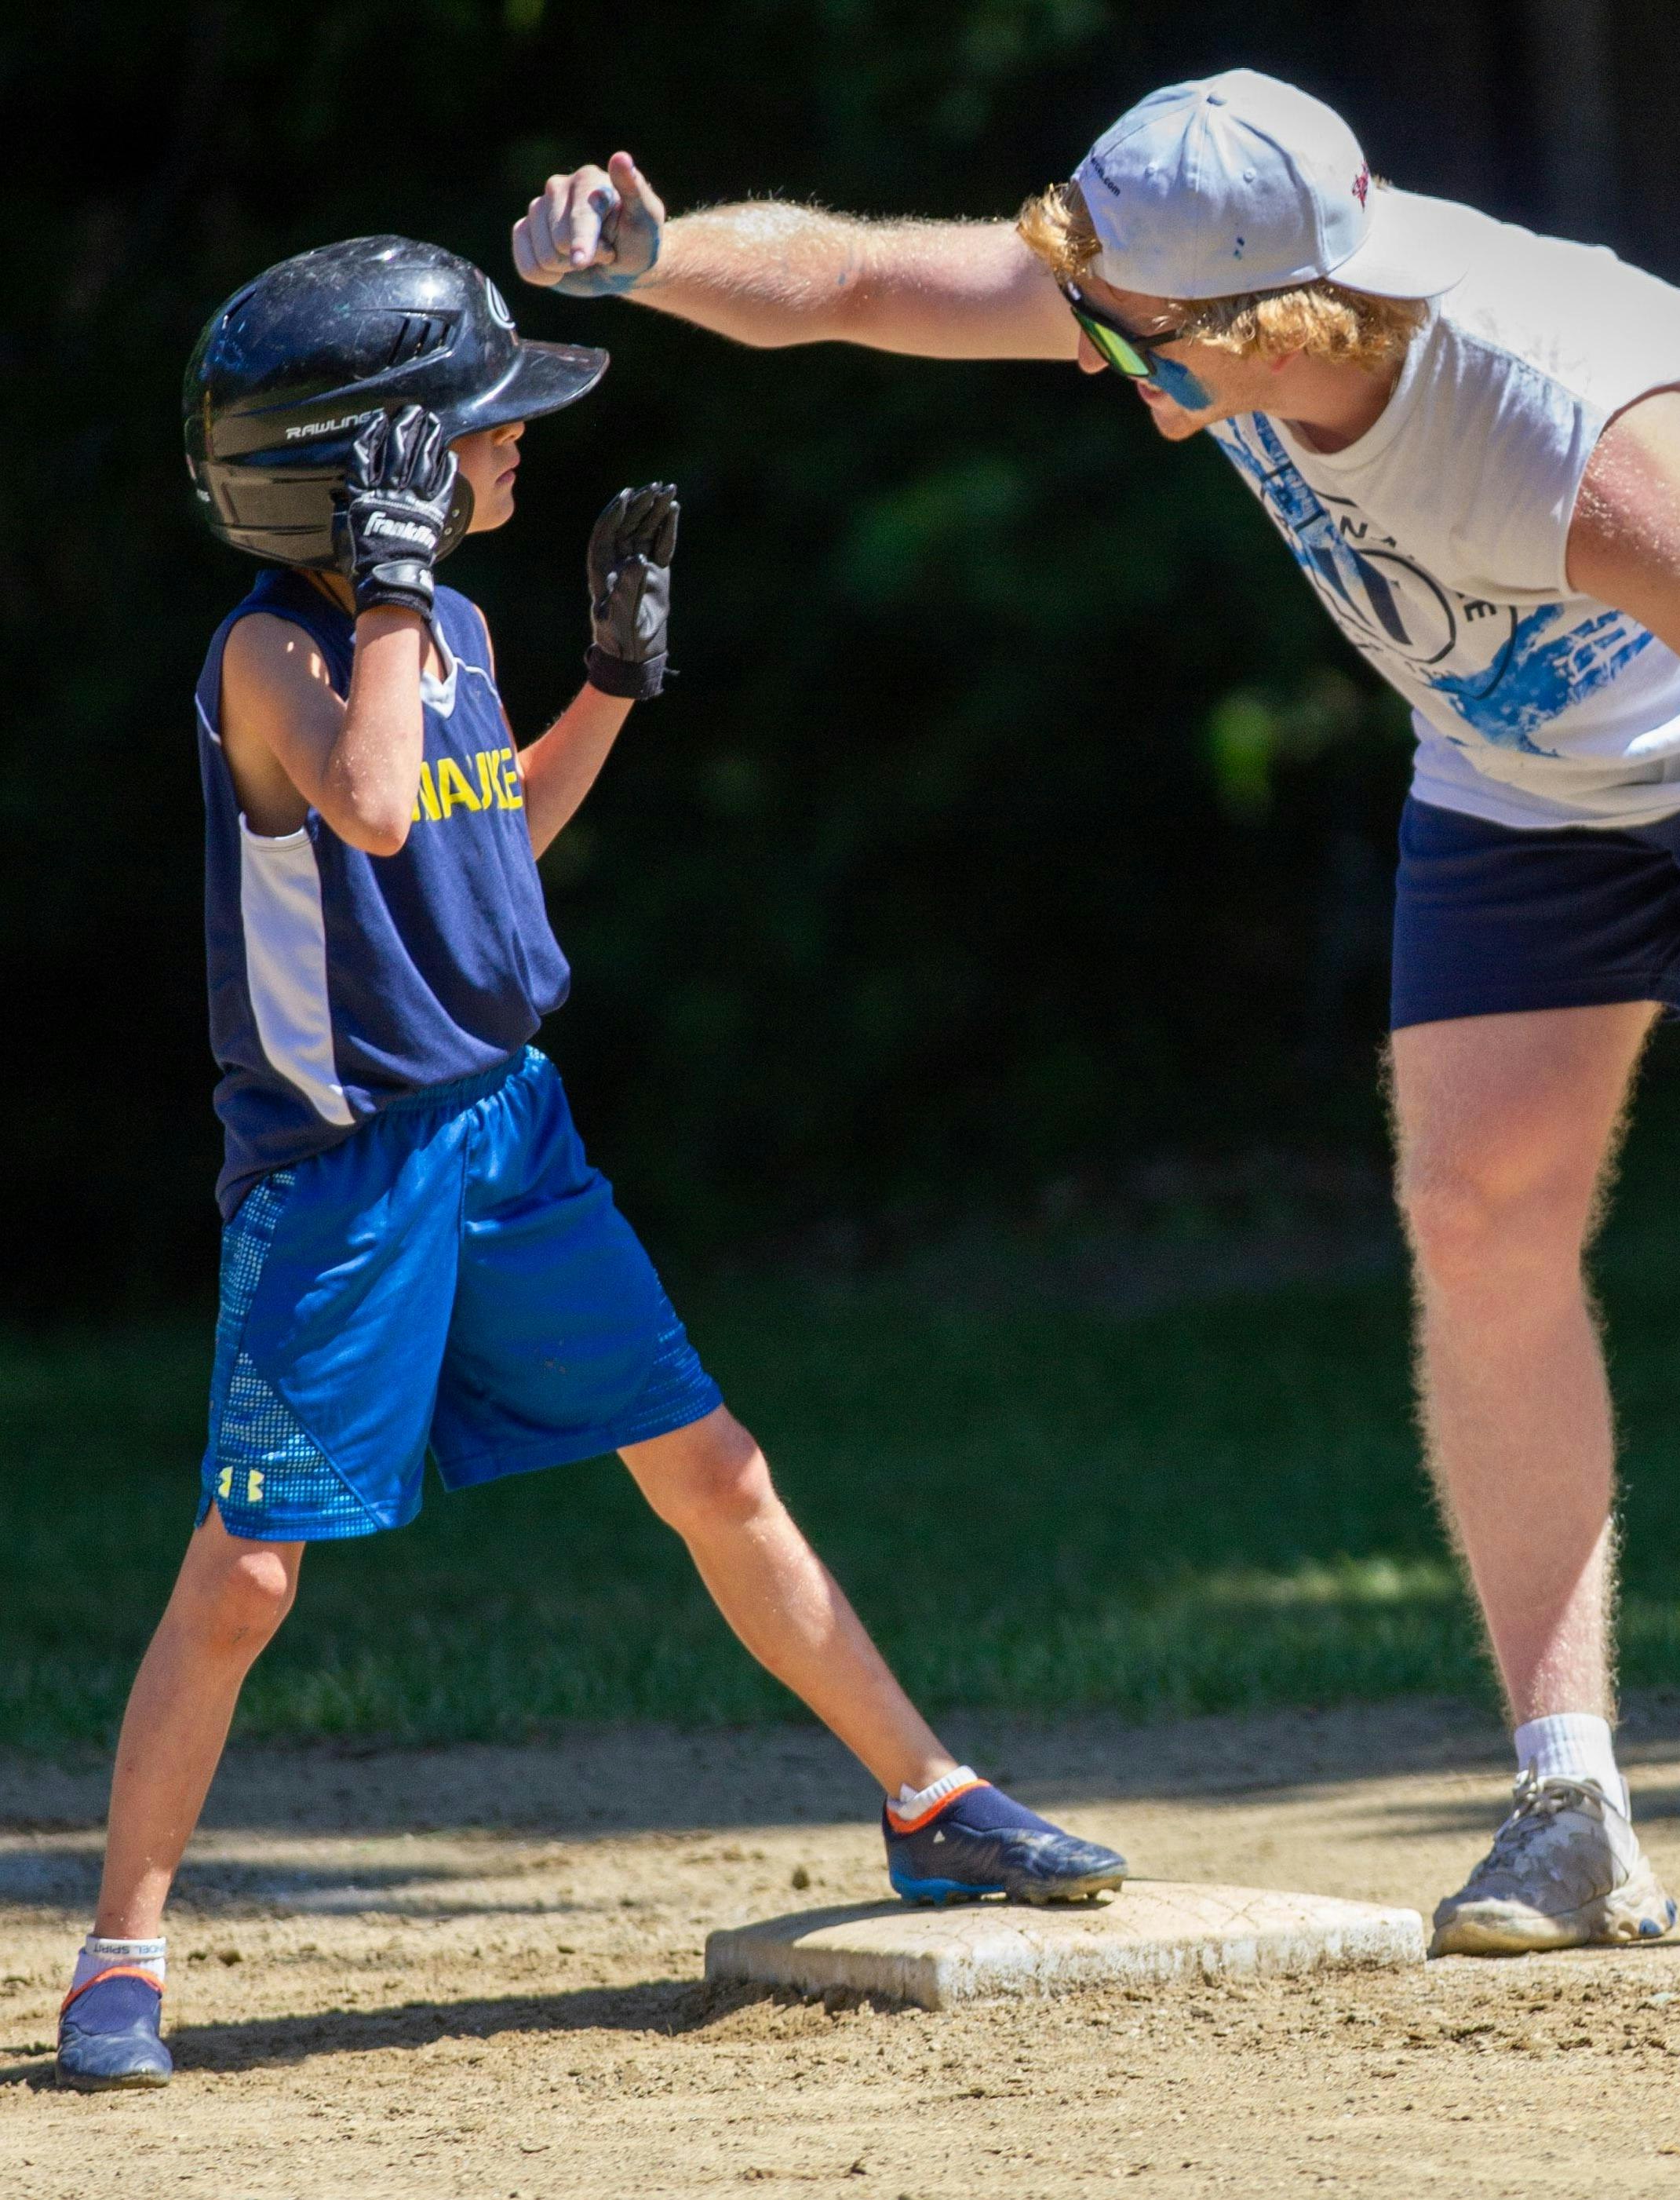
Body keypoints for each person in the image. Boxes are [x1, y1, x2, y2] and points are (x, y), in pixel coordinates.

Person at [512, 67, 1680, 1959]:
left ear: (1275, 320)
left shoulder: (1564, 436)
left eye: (1124, 333)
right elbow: (851, 282)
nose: (1092, 354)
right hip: (1516, 768)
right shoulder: (1177, 298)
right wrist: (653, 256)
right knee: (1472, 1211)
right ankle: (1566, 1807)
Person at [56, 236, 1124, 2093]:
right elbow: (367, 803)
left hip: (509, 1131)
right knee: (247, 1579)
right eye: (468, 429)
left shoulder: (454, 635)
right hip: (342, 1174)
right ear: (360, 476)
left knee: (714, 1467)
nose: (509, 446)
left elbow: (485, 833)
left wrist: (613, 682)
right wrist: (393, 588)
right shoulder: (271, 653)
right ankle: (118, 1956)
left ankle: (928, 1795)